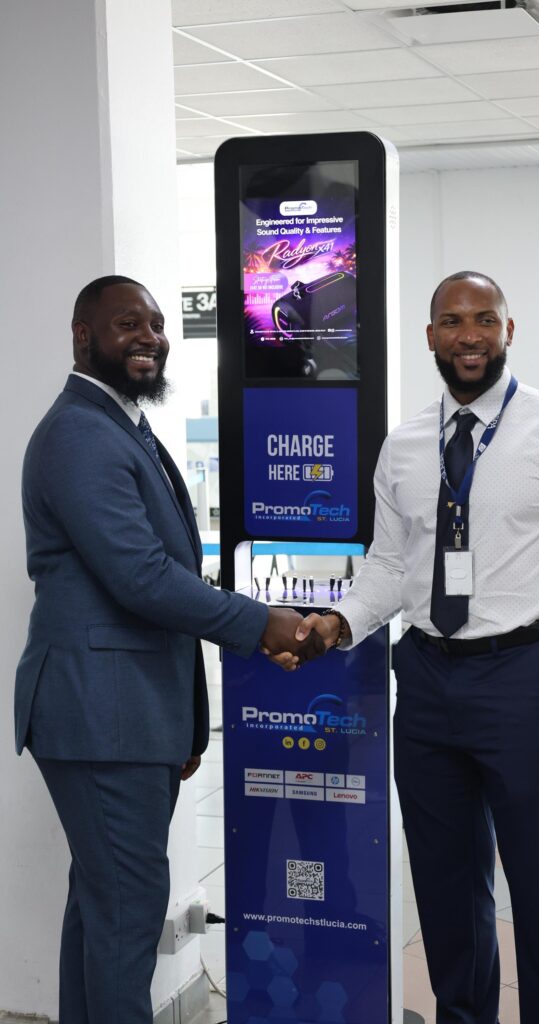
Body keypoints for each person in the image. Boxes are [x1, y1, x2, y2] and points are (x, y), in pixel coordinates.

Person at [294, 271, 539, 1024]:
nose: (469, 335)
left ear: (508, 330)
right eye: (452, 321)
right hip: (425, 681)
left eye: (485, 319)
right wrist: (340, 623)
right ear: (430, 336)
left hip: (525, 677)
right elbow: (390, 566)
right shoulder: (405, 445)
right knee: (446, 888)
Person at [14, 275, 321, 1024]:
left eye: (156, 323)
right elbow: (142, 578)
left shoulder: (120, 425)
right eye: (128, 324)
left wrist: (182, 719)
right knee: (126, 911)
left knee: (103, 904)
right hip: (101, 717)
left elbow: (157, 578)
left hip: (124, 715)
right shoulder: (81, 433)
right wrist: (262, 623)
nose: (150, 337)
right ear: (83, 335)